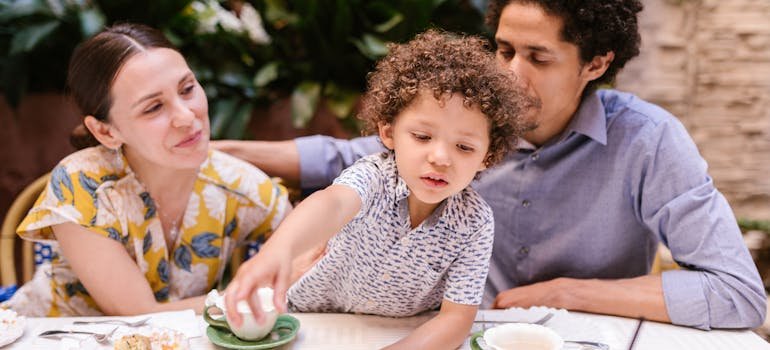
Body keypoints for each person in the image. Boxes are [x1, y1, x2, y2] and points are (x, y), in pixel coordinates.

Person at [214, 0, 767, 330]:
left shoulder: (649, 141)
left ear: (596, 63)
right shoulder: (461, 133)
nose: (509, 75)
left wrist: (566, 293)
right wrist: (212, 151)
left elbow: (738, 294)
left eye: (538, 57)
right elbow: (345, 161)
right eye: (504, 51)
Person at [224, 30, 529, 349]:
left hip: (402, 332)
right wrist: (278, 251)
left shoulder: (476, 222)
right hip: (311, 320)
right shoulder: (374, 177)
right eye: (422, 137)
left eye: (464, 147)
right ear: (388, 132)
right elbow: (331, 204)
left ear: (487, 156)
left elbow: (455, 320)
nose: (440, 158)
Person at [2, 23, 291, 317]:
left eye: (187, 89)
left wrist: (294, 268)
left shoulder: (237, 183)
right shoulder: (82, 184)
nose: (185, 116)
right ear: (105, 131)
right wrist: (251, 296)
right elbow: (139, 313)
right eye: (153, 108)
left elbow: (306, 255)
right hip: (46, 334)